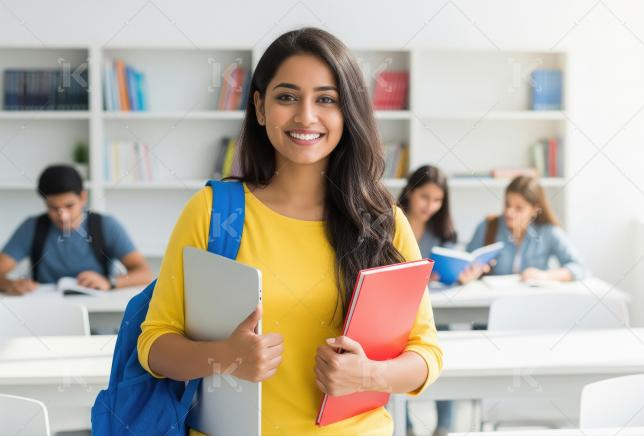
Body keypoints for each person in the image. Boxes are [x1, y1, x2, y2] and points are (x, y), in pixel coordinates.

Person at [138, 28, 442, 435]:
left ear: (347, 111)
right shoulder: (211, 212)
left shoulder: (382, 220)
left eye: (326, 99)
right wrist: (224, 357)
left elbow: (426, 354)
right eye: (286, 97)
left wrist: (368, 376)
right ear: (260, 107)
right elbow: (155, 345)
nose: (305, 116)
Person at [0, 164, 153, 294]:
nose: (63, 216)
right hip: (46, 313)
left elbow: (145, 273)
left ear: (83, 198)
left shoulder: (106, 225)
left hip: (98, 313)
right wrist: (10, 285)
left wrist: (109, 282)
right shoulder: (31, 227)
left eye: (69, 206)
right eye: (54, 208)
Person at [397, 165, 456, 436]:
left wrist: (461, 275)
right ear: (410, 192)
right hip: (401, 312)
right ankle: (406, 426)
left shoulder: (443, 231)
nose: (430, 206)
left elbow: (451, 268)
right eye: (425, 197)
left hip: (437, 312)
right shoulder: (392, 223)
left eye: (437, 200)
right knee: (399, 357)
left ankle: (443, 426)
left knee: (442, 353)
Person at [462, 175, 587, 284]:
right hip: (493, 303)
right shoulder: (487, 227)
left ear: (534, 209)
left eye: (518, 208)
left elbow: (580, 268)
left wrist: (545, 276)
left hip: (536, 303)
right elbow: (463, 267)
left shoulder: (548, 232)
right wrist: (469, 274)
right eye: (507, 204)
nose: (509, 212)